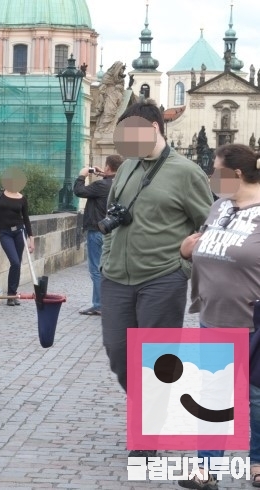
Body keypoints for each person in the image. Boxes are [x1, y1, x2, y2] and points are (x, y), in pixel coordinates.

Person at [100, 100, 213, 458]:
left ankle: (147, 434)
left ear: (153, 129)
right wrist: (106, 259)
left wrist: (183, 265)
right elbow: (111, 219)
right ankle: (150, 405)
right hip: (117, 277)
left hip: (162, 277)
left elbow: (207, 225)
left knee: (156, 357)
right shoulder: (126, 168)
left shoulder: (187, 171)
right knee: (119, 354)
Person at [178, 144, 260, 489]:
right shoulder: (219, 206)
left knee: (255, 395)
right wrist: (187, 250)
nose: (212, 176)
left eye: (216, 169)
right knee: (212, 395)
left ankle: (256, 463)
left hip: (253, 318)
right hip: (213, 315)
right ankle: (206, 469)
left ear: (236, 174)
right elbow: (202, 248)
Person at [73, 154, 123, 316]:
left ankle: (99, 304)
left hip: (96, 230)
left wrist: (82, 175)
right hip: (114, 231)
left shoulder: (101, 186)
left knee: (96, 269)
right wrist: (107, 176)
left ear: (108, 167)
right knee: (111, 269)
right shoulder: (121, 183)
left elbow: (79, 191)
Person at [0, 168, 34, 306]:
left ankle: (12, 295)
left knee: (16, 264)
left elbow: (26, 219)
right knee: (15, 262)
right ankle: (11, 295)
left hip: (19, 232)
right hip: (4, 232)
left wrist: (31, 239)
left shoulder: (22, 198)